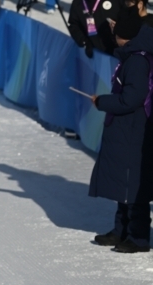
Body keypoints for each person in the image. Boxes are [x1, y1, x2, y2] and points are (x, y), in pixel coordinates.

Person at [90, 10, 153, 253]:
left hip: (133, 131)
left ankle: (138, 237)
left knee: (133, 183)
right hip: (125, 130)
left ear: (122, 35)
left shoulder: (137, 60)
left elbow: (132, 99)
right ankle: (121, 230)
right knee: (122, 183)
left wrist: (102, 102)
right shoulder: (132, 54)